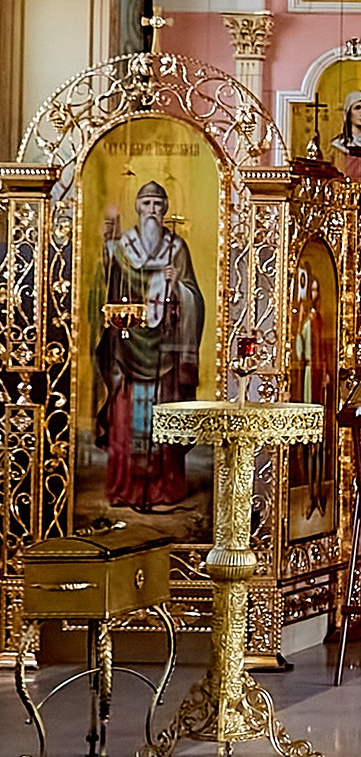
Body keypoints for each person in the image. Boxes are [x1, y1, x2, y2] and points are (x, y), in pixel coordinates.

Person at [92, 177, 206, 509]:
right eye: (146, 204)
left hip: (165, 352)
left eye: (158, 204)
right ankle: (127, 489)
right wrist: (106, 249)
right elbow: (109, 291)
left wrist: (179, 286)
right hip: (128, 350)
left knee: (163, 417)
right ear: (137, 208)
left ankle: (162, 489)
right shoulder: (123, 247)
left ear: (166, 208)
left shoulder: (177, 249)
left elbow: (194, 298)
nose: (152, 211)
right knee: (129, 419)